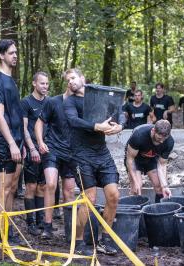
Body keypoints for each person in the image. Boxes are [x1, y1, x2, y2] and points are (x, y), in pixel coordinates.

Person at [63, 68, 124, 256]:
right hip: (80, 155)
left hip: (101, 153)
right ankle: (79, 241)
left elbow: (119, 111)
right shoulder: (70, 101)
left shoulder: (98, 95)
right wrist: (97, 126)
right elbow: (73, 121)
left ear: (83, 78)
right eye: (68, 80)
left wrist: (120, 125)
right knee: (88, 199)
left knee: (113, 195)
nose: (71, 82)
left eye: (73, 78)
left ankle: (105, 240)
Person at [0, 39, 24, 244]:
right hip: (3, 141)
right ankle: (0, 235)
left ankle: (7, 229)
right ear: (1, 55)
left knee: (11, 186)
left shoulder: (11, 79)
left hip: (16, 140)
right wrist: (10, 143)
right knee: (2, 186)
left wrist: (21, 143)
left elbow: (16, 114)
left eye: (16, 52)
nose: (15, 55)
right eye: (11, 53)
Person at [35, 75, 76, 239]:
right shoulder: (53, 102)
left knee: (69, 191)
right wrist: (39, 142)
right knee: (51, 184)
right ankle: (47, 226)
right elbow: (39, 122)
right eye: (71, 79)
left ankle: (70, 229)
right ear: (67, 82)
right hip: (52, 148)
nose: (75, 83)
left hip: (72, 152)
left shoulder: (82, 104)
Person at [20, 71, 49, 236]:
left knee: (42, 186)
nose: (45, 86)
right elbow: (23, 128)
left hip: (46, 149)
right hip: (32, 149)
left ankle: (40, 221)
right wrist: (31, 148)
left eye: (46, 84)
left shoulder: (49, 102)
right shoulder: (25, 102)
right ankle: (30, 223)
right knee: (31, 186)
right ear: (34, 84)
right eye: (42, 83)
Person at [125, 120, 173, 203]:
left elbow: (161, 165)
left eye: (164, 139)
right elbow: (130, 159)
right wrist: (135, 182)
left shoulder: (169, 142)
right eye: (159, 138)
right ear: (153, 131)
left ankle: (158, 211)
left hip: (152, 159)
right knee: (136, 188)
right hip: (135, 159)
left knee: (160, 187)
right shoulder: (139, 135)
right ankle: (134, 213)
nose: (161, 141)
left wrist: (165, 186)